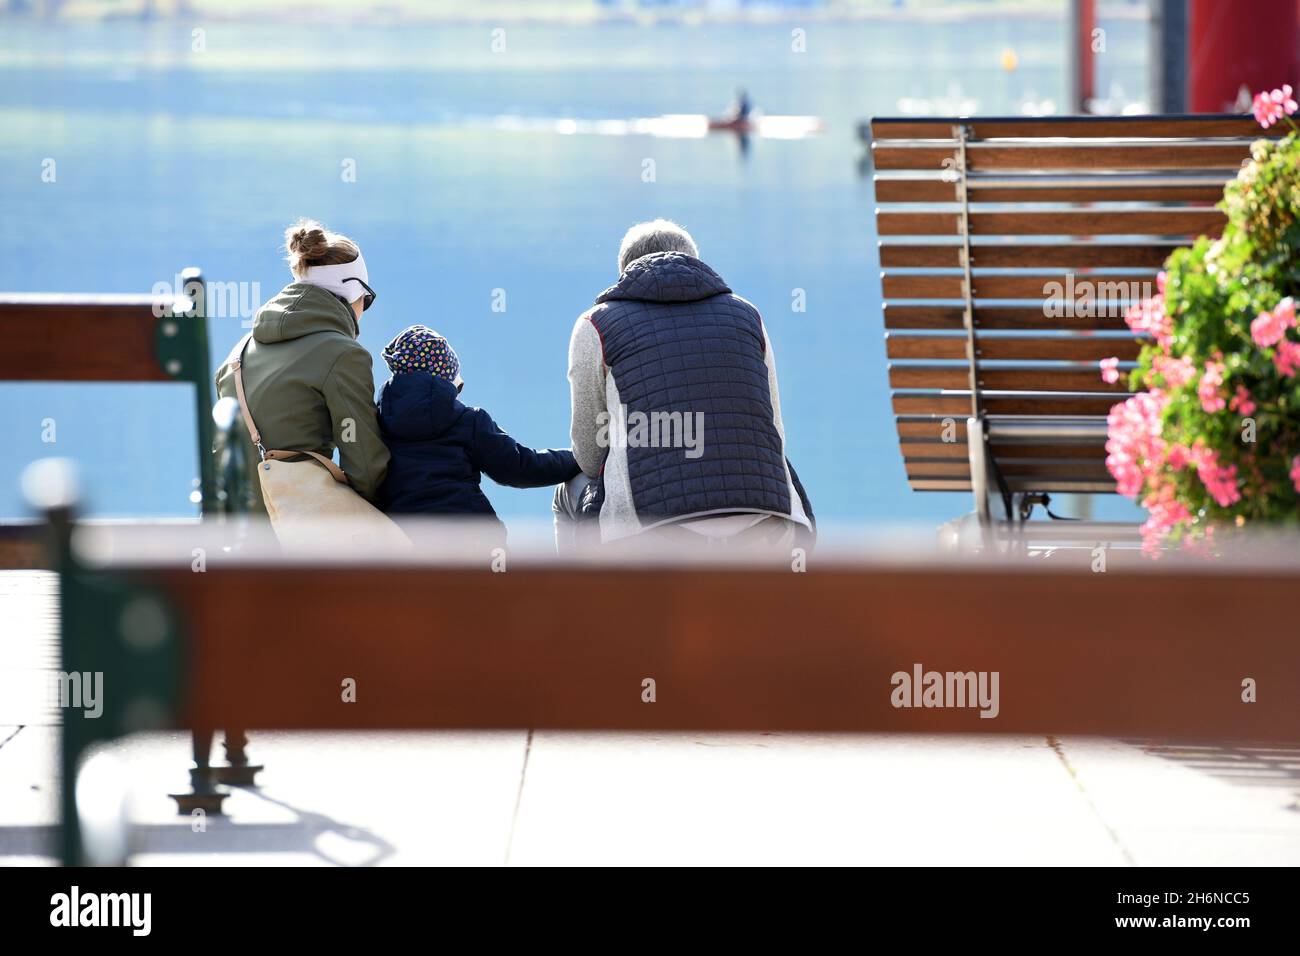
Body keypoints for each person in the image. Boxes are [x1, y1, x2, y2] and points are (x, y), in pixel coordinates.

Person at [556, 218, 814, 555]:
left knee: (568, 489)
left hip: (655, 537)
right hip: (768, 528)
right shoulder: (748, 316)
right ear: (696, 261)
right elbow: (775, 433)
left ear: (624, 272)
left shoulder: (596, 324)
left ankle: (580, 604)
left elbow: (589, 455)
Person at [215, 219, 389, 513]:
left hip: (236, 528)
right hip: (297, 532)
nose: (364, 309)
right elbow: (365, 464)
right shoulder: (344, 355)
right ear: (349, 292)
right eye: (366, 299)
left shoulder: (237, 355)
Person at [376, 325, 580, 541]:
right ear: (446, 380)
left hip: (406, 547)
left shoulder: (378, 422)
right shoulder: (467, 420)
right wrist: (578, 458)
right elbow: (519, 467)